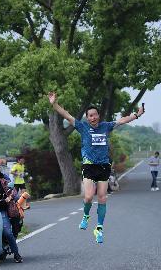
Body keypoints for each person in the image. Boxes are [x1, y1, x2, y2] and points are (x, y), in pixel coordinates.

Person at [48, 92, 145, 243]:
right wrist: (54, 104)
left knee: (102, 197)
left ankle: (99, 228)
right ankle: (86, 216)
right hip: (89, 165)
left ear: (99, 116)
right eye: (90, 116)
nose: (92, 118)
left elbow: (123, 120)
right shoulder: (83, 127)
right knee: (88, 196)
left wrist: (137, 115)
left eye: (95, 115)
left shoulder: (106, 127)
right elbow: (67, 115)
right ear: (87, 118)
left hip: (104, 166)